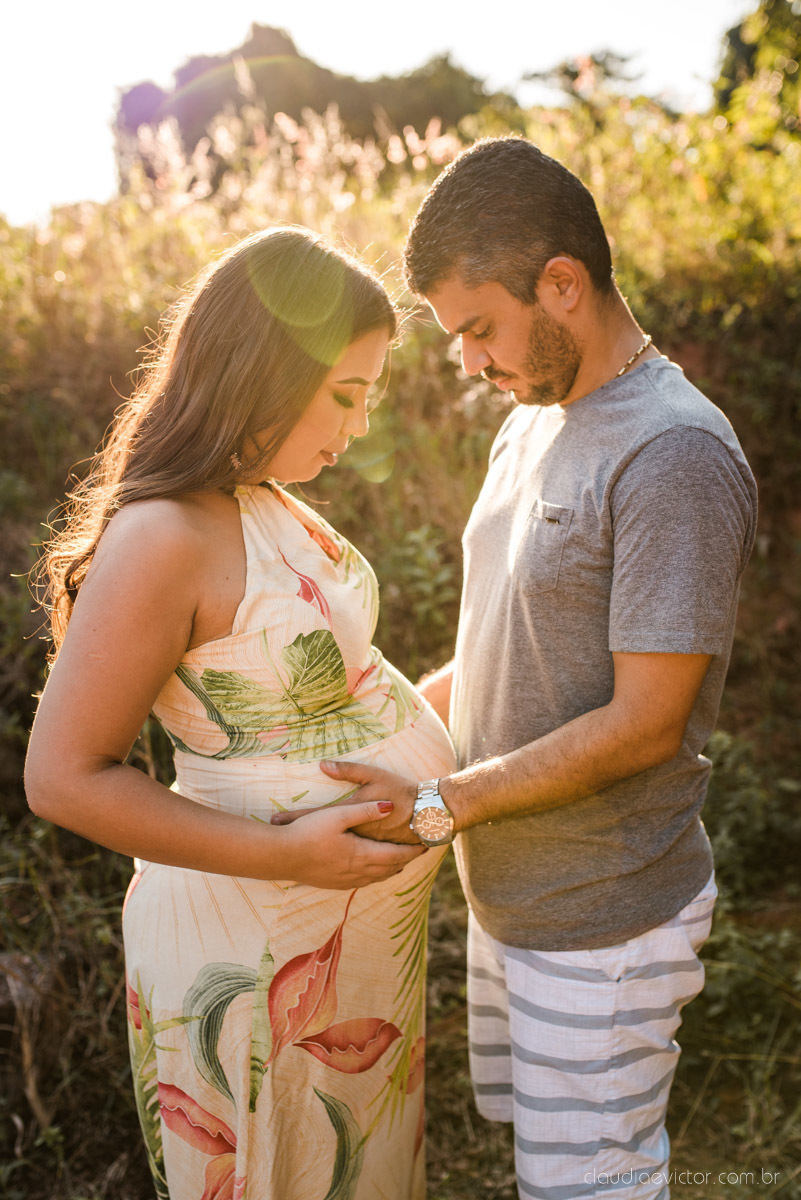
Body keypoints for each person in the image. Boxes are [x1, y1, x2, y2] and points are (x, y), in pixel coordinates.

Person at [277, 139, 758, 1199]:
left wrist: (440, 805)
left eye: (479, 328)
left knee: (596, 1183)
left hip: (605, 921)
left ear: (563, 284)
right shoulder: (530, 421)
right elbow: (503, 648)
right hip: (512, 900)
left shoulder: (673, 452)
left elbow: (646, 722)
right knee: (554, 1168)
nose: (466, 363)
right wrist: (367, 736)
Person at [24, 226, 456, 1200]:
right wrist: (293, 854)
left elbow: (336, 706)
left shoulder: (264, 500)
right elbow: (61, 779)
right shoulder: (164, 537)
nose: (358, 428)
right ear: (265, 371)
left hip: (344, 957)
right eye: (345, 396)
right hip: (253, 959)